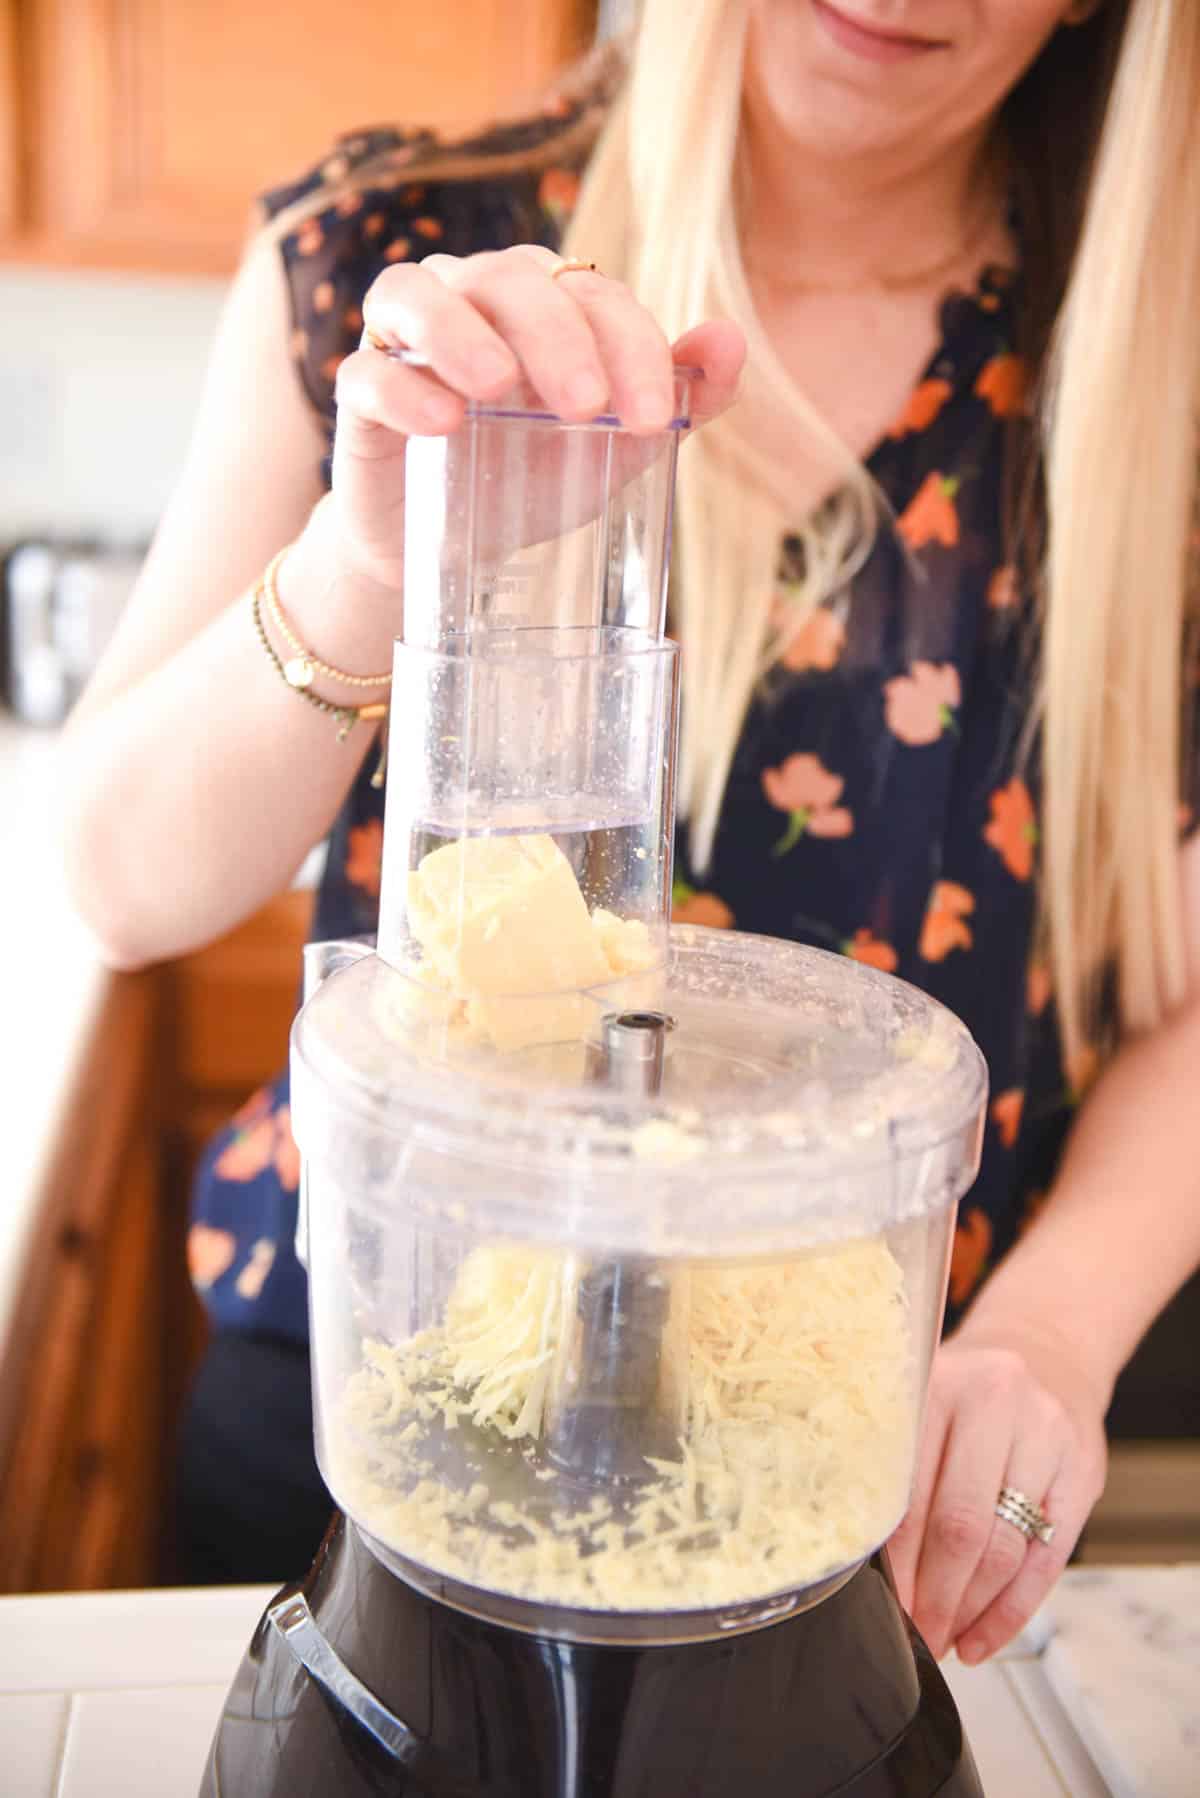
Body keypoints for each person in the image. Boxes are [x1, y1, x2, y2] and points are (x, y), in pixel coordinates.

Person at [61, 0, 1200, 1667]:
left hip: (848, 1499)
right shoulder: (390, 260)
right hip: (371, 1421)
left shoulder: (1154, 358)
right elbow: (117, 880)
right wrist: (370, 564)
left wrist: (1049, 1329)